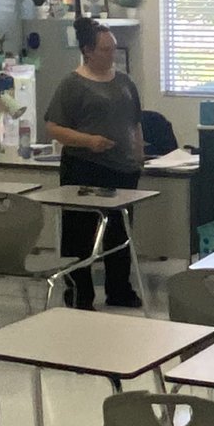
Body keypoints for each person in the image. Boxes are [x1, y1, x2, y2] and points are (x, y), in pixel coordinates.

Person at [45, 17, 144, 310]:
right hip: (85, 167)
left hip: (122, 169)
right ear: (88, 51)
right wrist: (88, 141)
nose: (111, 54)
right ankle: (79, 293)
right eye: (105, 49)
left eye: (114, 48)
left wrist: (138, 154)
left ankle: (119, 289)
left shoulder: (125, 82)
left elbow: (135, 122)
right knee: (80, 236)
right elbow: (53, 127)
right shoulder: (72, 84)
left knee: (119, 233)